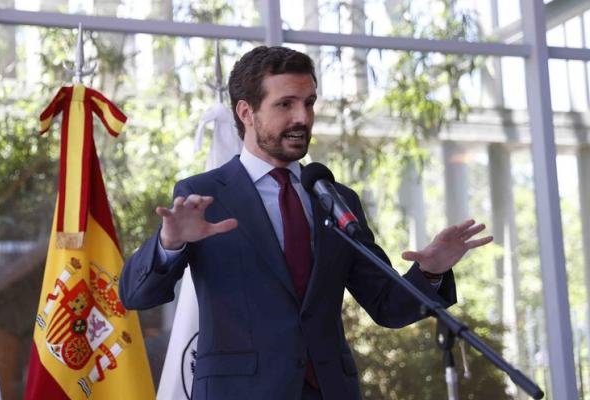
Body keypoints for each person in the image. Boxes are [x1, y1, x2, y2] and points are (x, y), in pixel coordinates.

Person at [119, 46, 492, 400]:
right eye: (285, 104)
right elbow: (136, 295)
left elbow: (387, 306)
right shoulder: (203, 196)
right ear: (246, 112)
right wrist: (170, 244)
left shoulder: (335, 198)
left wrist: (429, 271)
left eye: (309, 103)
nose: (303, 117)